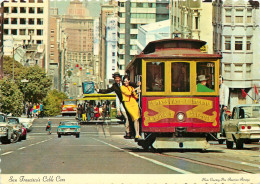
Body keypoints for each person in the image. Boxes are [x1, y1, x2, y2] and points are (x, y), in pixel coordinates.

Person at [95, 72, 140, 139]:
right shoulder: (114, 86)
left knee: (133, 117)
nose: (117, 80)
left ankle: (132, 132)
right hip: (124, 103)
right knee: (127, 117)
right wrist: (98, 90)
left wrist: (137, 84)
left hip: (131, 102)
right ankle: (128, 132)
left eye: (118, 78)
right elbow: (107, 90)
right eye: (116, 79)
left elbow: (132, 84)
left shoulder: (125, 82)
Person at [121, 75, 143, 140]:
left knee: (137, 118)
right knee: (135, 117)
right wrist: (135, 90)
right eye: (124, 81)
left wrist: (138, 92)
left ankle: (137, 134)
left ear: (129, 81)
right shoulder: (122, 87)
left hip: (134, 103)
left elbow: (135, 96)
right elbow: (128, 93)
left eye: (126, 81)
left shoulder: (131, 87)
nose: (125, 82)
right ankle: (136, 133)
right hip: (128, 103)